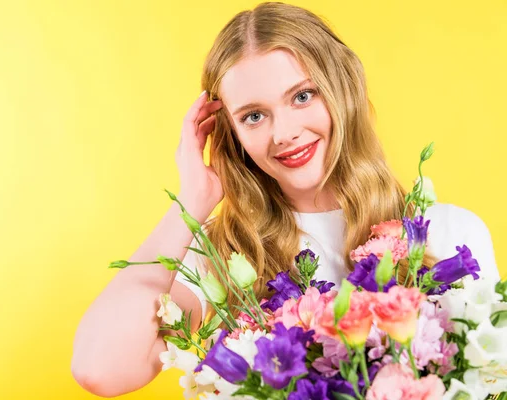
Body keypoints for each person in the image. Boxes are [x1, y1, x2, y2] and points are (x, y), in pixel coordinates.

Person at [70, 2, 500, 397]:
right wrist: (191, 202)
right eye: (253, 116)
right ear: (231, 133)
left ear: (341, 91)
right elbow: (100, 369)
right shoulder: (223, 255)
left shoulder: (448, 234)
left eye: (302, 96)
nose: (284, 133)